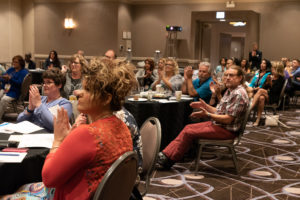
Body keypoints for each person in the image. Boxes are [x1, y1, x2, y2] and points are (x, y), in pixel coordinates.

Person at [157, 65, 249, 169]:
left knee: (189, 132)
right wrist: (205, 106)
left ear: (240, 78)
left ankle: (168, 160)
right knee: (188, 128)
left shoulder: (238, 94)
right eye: (226, 75)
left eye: (231, 75)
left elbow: (228, 119)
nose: (227, 77)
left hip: (226, 130)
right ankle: (165, 155)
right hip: (220, 126)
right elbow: (220, 111)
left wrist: (207, 114)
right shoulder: (231, 90)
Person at [250, 62, 285, 126]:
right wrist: (267, 83)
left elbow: (275, 91)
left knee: (260, 91)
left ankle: (250, 109)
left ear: (277, 69)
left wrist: (270, 83)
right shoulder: (270, 76)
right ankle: (258, 119)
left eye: (273, 68)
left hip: (274, 97)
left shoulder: (281, 79)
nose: (271, 69)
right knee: (261, 98)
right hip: (267, 95)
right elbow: (264, 87)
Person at [0, 55, 28, 122]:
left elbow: (20, 83)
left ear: (21, 63)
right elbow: (2, 78)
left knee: (4, 100)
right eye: (13, 62)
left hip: (15, 91)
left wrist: (10, 78)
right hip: (6, 89)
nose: (13, 64)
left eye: (16, 62)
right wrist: (4, 78)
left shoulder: (24, 72)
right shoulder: (11, 69)